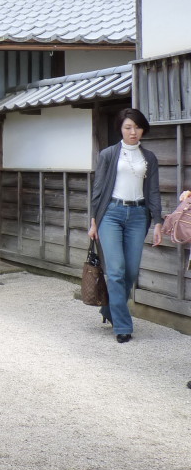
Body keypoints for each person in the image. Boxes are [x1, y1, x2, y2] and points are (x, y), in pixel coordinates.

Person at [88, 108, 163, 343]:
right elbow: (98, 189)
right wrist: (93, 221)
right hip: (110, 214)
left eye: (137, 127)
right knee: (116, 270)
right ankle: (122, 326)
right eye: (128, 127)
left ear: (143, 130)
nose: (133, 132)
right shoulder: (109, 154)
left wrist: (158, 221)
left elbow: (153, 192)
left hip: (138, 215)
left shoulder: (149, 158)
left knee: (130, 271)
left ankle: (110, 310)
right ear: (120, 129)